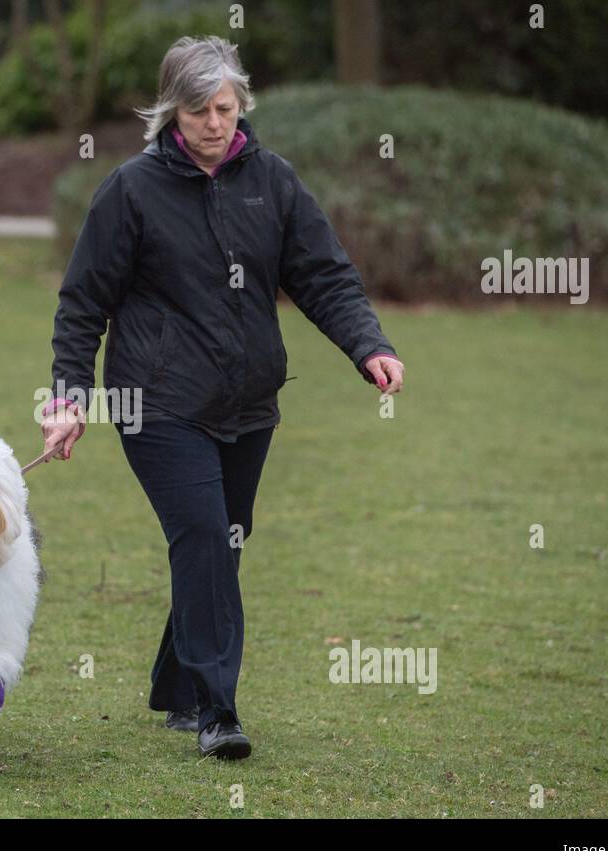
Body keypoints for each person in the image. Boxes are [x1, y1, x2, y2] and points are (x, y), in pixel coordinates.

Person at [40, 35, 404, 760]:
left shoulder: (273, 180)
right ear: (172, 112)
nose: (215, 122)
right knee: (205, 536)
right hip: (157, 401)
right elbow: (83, 305)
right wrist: (69, 397)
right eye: (200, 109)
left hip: (249, 401)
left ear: (241, 106)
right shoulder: (131, 192)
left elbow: (323, 274)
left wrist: (369, 344)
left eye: (226, 107)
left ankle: (178, 685)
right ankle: (216, 711)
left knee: (223, 543)